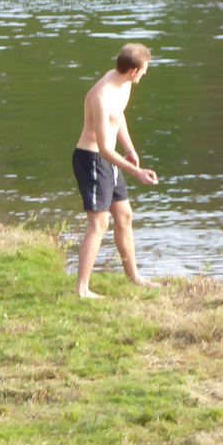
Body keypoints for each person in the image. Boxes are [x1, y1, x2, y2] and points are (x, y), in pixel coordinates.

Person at [72, 43, 159, 295]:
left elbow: (118, 117)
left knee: (125, 216)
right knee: (99, 224)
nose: (145, 73)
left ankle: (134, 276)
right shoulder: (100, 95)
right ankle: (82, 289)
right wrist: (137, 173)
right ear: (133, 70)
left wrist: (130, 149)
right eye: (144, 69)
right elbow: (103, 148)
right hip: (92, 159)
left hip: (109, 159)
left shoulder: (126, 84)